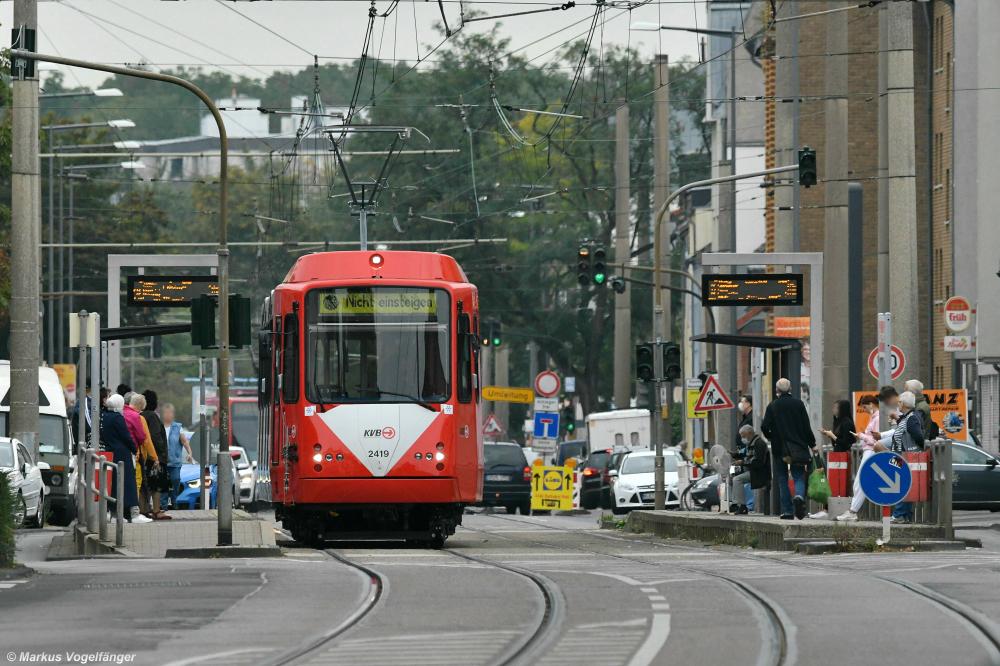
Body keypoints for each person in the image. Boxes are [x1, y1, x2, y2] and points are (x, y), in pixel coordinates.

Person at [761, 377, 817, 520]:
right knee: (798, 475)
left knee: (782, 478)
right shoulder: (798, 404)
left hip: (779, 448)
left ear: (777, 390)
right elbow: (806, 426)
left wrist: (771, 437)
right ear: (790, 389)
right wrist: (812, 444)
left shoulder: (772, 406)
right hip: (798, 447)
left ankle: (787, 511)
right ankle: (798, 496)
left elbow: (764, 427)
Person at [877, 390, 925, 523]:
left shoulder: (911, 418)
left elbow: (918, 436)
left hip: (904, 456)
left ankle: (899, 515)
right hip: (901, 455)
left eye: (899, 402)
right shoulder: (907, 417)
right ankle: (904, 515)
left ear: (903, 403)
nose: (898, 404)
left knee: (901, 484)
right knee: (902, 483)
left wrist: (914, 450)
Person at [100, 394, 148, 523]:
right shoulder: (117, 418)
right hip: (122, 454)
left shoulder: (104, 417)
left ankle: (115, 515)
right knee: (129, 484)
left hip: (110, 454)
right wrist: (134, 449)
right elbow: (127, 436)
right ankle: (134, 514)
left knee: (114, 485)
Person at [837, 394, 881, 521]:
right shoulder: (874, 418)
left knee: (861, 481)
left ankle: (853, 511)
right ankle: (852, 511)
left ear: (871, 404)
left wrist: (862, 436)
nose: (864, 409)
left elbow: (877, 440)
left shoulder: (877, 419)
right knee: (859, 482)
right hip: (868, 451)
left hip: (871, 451)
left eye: (865, 407)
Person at [124, 393, 163, 519]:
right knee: (137, 483)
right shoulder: (138, 418)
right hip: (136, 456)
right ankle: (134, 513)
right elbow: (145, 439)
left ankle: (122, 511)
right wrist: (155, 457)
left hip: (121, 455)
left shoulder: (121, 413)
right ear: (140, 407)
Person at [141, 390, 172, 518]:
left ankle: (143, 509)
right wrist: (161, 454)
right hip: (155, 456)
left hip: (144, 456)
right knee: (156, 485)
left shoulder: (141, 415)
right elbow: (155, 436)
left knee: (144, 484)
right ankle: (156, 510)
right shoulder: (153, 416)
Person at [730, 424, 770, 515]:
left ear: (749, 433)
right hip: (751, 471)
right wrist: (731, 454)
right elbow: (741, 454)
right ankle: (734, 503)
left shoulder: (759, 444)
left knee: (737, 479)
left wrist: (742, 462)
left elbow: (758, 462)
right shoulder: (750, 444)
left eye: (743, 436)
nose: (742, 438)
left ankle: (742, 506)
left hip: (759, 473)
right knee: (732, 474)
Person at [161, 402, 192, 510]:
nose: (168, 415)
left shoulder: (178, 427)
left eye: (170, 413)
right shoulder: (159, 426)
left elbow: (184, 442)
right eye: (166, 412)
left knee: (176, 479)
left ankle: (174, 500)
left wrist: (189, 453)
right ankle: (163, 505)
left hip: (175, 462)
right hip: (163, 462)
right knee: (163, 483)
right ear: (163, 414)